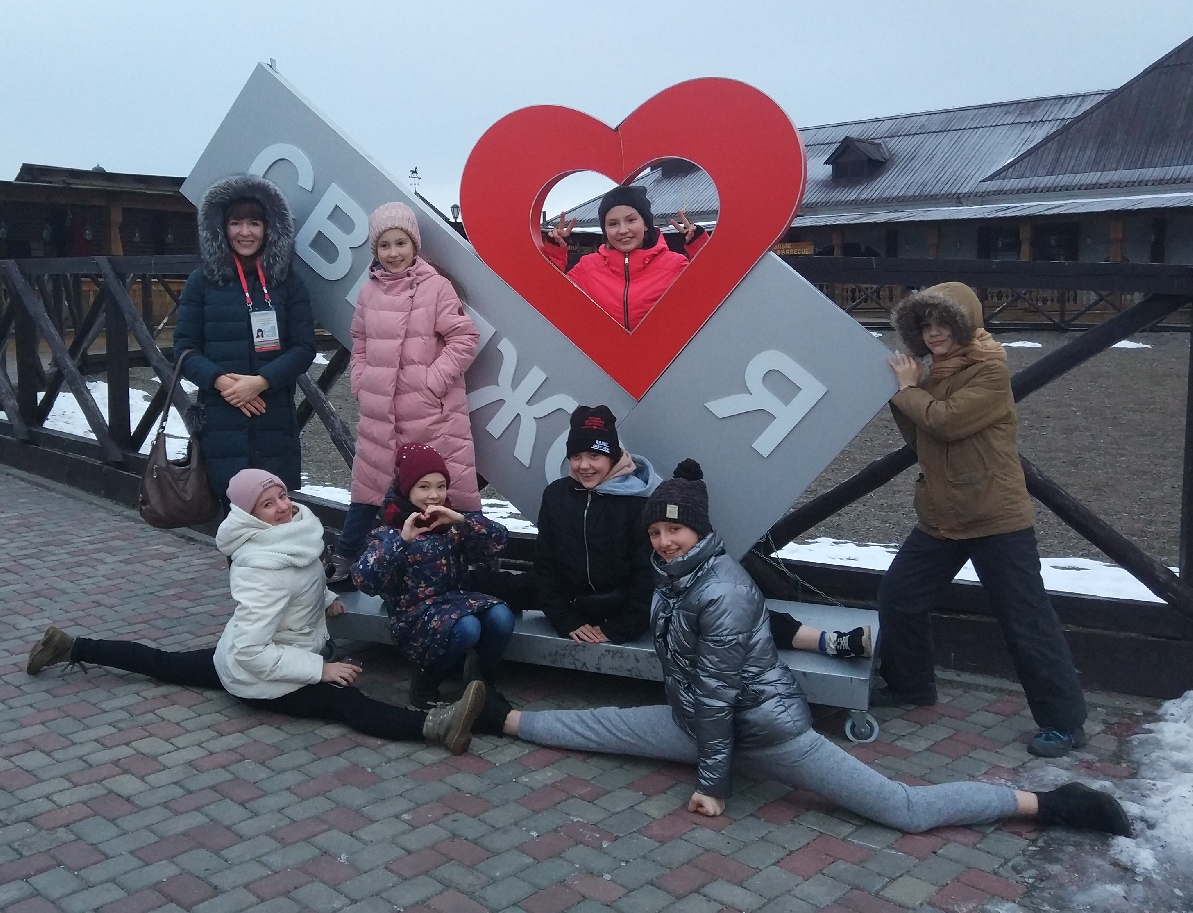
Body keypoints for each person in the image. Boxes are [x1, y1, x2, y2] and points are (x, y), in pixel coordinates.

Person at [473, 460, 1131, 838]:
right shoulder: (671, 580)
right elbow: (698, 697)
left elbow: (719, 697)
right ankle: (497, 716)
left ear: (699, 531)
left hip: (768, 734)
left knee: (900, 809)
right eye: (655, 532)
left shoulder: (722, 590)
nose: (664, 541)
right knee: (596, 727)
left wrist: (713, 789)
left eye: (675, 531)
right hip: (696, 723)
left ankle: (1049, 803)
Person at [26, 469, 485, 755]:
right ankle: (436, 726)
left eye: (282, 495)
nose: (284, 507)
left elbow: (299, 581)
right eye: (269, 504)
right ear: (250, 516)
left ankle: (71, 646)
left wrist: (324, 596)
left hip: (244, 655)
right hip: (260, 677)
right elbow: (251, 649)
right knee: (344, 702)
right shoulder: (263, 568)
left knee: (166, 664)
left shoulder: (289, 539)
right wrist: (320, 671)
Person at [877, 283, 1090, 759]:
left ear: (964, 324)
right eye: (925, 326)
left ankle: (1064, 722)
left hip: (995, 515)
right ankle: (911, 685)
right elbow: (921, 437)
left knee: (1025, 619)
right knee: (899, 597)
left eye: (943, 324)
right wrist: (910, 393)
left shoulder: (989, 369)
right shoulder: (931, 375)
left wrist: (908, 390)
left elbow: (947, 421)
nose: (934, 334)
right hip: (942, 515)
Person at [533, 405, 869, 655]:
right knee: (512, 588)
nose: (584, 465)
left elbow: (648, 573)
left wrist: (619, 628)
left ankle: (829, 641)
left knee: (727, 613)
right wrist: (566, 620)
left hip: (637, 608)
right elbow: (546, 565)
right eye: (576, 456)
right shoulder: (556, 495)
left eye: (594, 455)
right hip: (578, 606)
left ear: (613, 456)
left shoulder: (641, 499)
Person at [326, 203, 482, 584]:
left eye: (401, 243)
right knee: (369, 484)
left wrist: (432, 381)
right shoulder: (368, 292)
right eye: (384, 245)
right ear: (375, 250)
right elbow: (359, 342)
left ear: (414, 245)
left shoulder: (435, 287)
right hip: (380, 408)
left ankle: (475, 565)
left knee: (450, 489)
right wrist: (361, 382)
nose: (393, 253)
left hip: (432, 413)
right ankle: (347, 557)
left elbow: (465, 338)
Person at [174, 174, 317, 505]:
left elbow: (304, 347)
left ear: (270, 228)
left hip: (273, 420)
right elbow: (184, 349)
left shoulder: (288, 283)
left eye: (254, 223)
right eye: (235, 223)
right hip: (221, 420)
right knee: (232, 519)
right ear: (220, 228)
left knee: (276, 514)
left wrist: (261, 382)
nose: (245, 232)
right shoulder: (201, 283)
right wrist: (222, 383)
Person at [353, 443, 513, 710]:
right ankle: (426, 680)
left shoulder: (450, 523)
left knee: (502, 616)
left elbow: (499, 542)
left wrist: (464, 521)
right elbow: (364, 581)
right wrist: (402, 541)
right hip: (413, 611)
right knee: (467, 627)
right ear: (407, 488)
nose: (434, 495)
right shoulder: (389, 532)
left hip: (457, 600)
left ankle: (481, 681)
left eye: (441, 486)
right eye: (424, 487)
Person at [543, 185, 709, 330]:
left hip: (663, 355)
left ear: (645, 224)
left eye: (631, 220)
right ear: (605, 230)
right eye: (613, 223)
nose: (623, 230)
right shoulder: (586, 269)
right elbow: (549, 298)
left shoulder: (676, 266)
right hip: (601, 355)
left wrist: (700, 245)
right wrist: (555, 251)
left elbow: (711, 293)